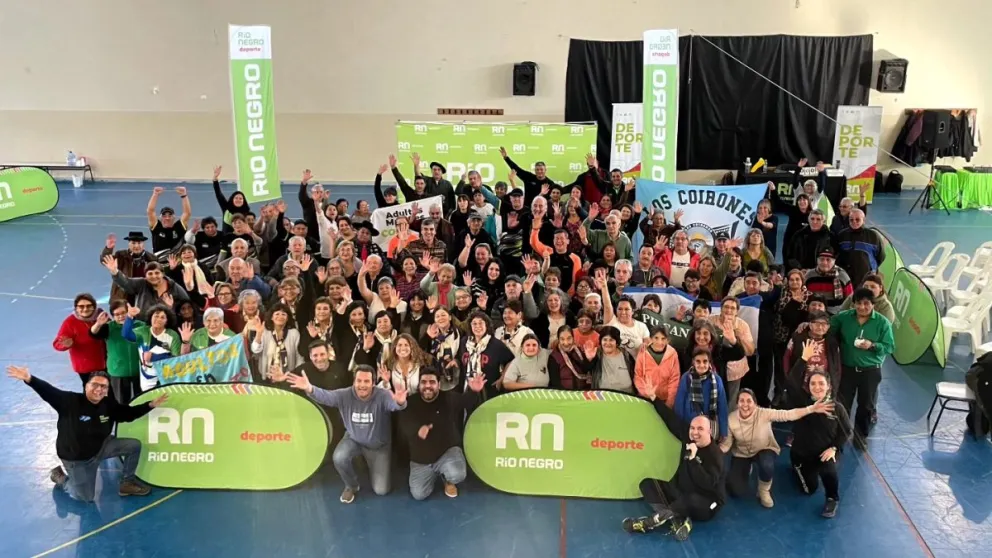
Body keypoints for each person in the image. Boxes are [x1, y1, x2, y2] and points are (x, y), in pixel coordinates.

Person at [5, 366, 167, 502]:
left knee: (134, 445)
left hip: (100, 448)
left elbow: (127, 414)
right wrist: (30, 379)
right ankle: (60, 477)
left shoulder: (108, 404)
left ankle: (127, 483)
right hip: (77, 459)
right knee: (86, 498)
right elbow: (49, 391)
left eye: (104, 387)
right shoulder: (69, 401)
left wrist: (150, 405)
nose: (99, 389)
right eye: (95, 385)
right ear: (86, 386)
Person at [276, 364, 407, 504]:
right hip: (354, 440)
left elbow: (394, 405)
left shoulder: (382, 395)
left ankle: (371, 465)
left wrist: (400, 402)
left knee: (381, 491)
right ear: (354, 381)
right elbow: (326, 396)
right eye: (359, 381)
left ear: (373, 383)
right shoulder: (345, 395)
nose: (362, 385)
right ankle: (351, 485)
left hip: (378, 446)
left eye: (367, 381)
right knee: (339, 457)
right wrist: (309, 388)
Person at [622, 396, 723, 541]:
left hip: (706, 502)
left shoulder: (715, 455)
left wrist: (694, 460)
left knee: (690, 499)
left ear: (709, 432)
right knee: (647, 484)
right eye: (692, 428)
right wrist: (655, 398)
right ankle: (678, 519)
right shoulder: (689, 440)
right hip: (681, 492)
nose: (695, 432)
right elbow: (672, 420)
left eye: (700, 429)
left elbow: (708, 484)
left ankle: (648, 522)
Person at [721, 388, 833, 508]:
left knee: (767, 465)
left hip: (765, 448)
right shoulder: (731, 419)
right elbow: (727, 444)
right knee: (735, 491)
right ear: (737, 404)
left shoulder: (764, 413)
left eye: (749, 401)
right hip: (742, 453)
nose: (745, 404)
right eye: (741, 401)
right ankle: (747, 468)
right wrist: (713, 451)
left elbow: (788, 415)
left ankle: (763, 490)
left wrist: (811, 409)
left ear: (755, 403)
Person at [399, 368, 486, 500]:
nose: (428, 386)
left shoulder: (449, 398)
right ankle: (435, 474)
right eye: (424, 382)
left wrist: (473, 391)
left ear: (439, 385)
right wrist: (417, 429)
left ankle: (448, 479)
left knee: (458, 474)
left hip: (446, 453)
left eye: (432, 382)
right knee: (419, 495)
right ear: (419, 385)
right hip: (421, 460)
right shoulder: (410, 402)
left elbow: (466, 401)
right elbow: (403, 424)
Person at [786, 357, 852, 518]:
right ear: (808, 387)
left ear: (828, 386)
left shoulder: (837, 408)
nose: (817, 387)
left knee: (830, 473)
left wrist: (834, 448)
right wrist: (802, 359)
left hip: (824, 453)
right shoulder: (801, 403)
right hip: (801, 454)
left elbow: (846, 431)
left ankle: (832, 498)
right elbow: (791, 381)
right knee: (809, 490)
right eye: (813, 383)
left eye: (821, 383)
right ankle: (798, 468)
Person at [831, 288, 895, 440]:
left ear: (873, 304)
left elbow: (889, 347)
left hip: (870, 371)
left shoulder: (882, 323)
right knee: (843, 404)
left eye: (866, 304)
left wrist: (872, 346)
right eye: (858, 303)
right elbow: (826, 326)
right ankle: (840, 435)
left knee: (866, 406)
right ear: (853, 304)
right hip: (847, 370)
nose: (862, 307)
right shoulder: (843, 318)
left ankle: (861, 436)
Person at [53, 294, 107, 387]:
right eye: (81, 306)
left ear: (94, 306)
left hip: (106, 363)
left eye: (89, 306)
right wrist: (66, 345)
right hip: (86, 367)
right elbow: (57, 344)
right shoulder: (70, 322)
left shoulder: (101, 316)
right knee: (93, 392)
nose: (85, 309)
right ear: (76, 308)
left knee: (108, 389)